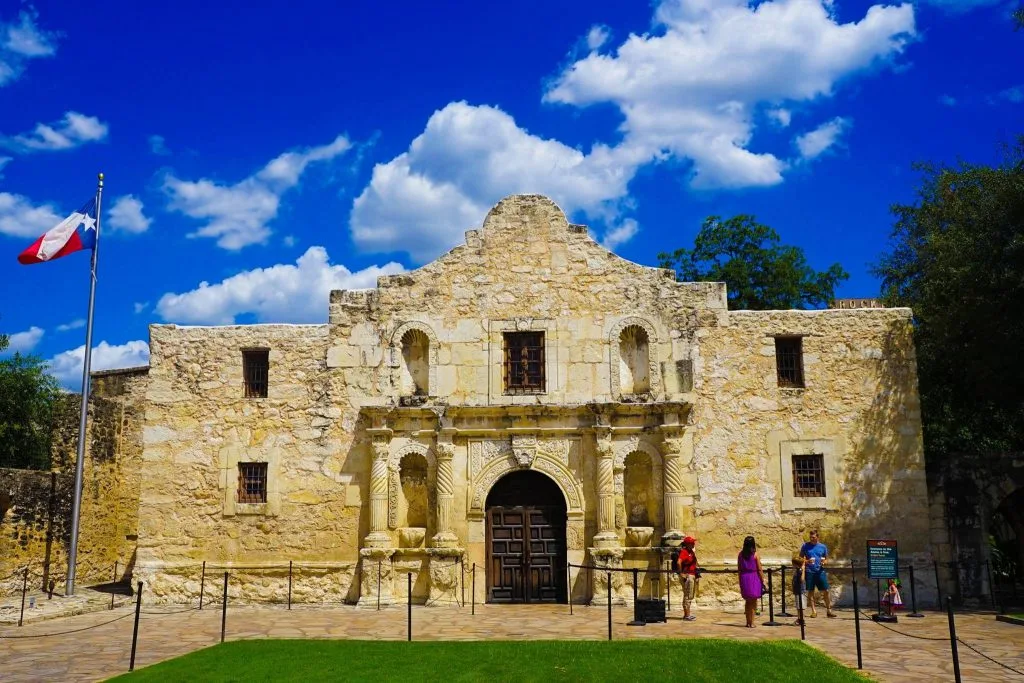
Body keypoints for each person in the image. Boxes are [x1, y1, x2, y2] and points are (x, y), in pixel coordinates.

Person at [800, 529, 836, 618]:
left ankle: (829, 610)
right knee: (811, 591)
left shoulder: (823, 547)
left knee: (826, 591)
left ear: (817, 537)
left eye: (813, 537)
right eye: (810, 537)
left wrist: (824, 562)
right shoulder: (805, 546)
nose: (812, 539)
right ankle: (813, 611)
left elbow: (826, 558)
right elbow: (800, 558)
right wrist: (807, 561)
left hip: (820, 571)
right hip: (809, 571)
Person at [737, 536, 765, 628]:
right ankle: (752, 622)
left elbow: (739, 569)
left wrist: (740, 580)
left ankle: (747, 622)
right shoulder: (755, 555)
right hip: (753, 577)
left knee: (748, 601)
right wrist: (763, 580)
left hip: (744, 577)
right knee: (753, 601)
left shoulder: (740, 555)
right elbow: (760, 569)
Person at [676, 536, 700, 621]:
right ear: (687, 544)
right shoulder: (684, 552)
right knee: (687, 595)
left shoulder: (691, 552)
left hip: (692, 575)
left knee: (690, 595)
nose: (693, 544)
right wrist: (681, 573)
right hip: (688, 576)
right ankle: (687, 615)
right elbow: (679, 562)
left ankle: (687, 614)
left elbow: (695, 563)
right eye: (692, 543)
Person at [791, 555, 806, 625]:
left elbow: (802, 579)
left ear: (796, 564)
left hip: (800, 591)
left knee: (800, 606)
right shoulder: (797, 570)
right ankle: (800, 618)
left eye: (793, 564)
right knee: (799, 606)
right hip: (797, 590)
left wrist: (803, 570)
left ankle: (801, 619)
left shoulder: (800, 571)